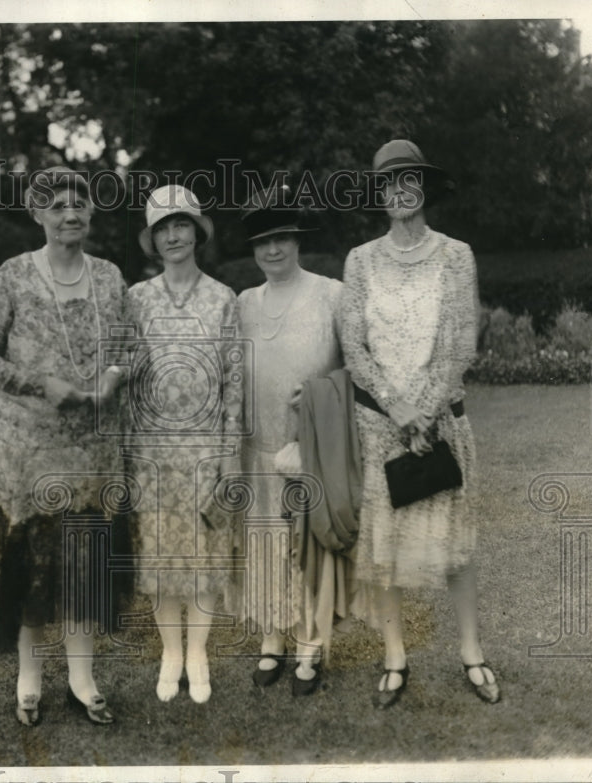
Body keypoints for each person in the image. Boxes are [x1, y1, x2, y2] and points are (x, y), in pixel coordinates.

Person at [0, 166, 131, 727]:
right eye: (57, 205)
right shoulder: (12, 276)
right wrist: (43, 385)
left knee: (84, 565)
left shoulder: (109, 276)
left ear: (91, 212)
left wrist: (111, 376)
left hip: (93, 450)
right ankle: (29, 678)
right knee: (32, 565)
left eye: (79, 203)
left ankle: (83, 680)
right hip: (28, 449)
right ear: (37, 215)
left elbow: (129, 348)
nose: (70, 214)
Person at [341, 139, 500, 708]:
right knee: (384, 548)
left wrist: (426, 412)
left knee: (455, 546)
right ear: (377, 193)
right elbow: (354, 347)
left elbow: (461, 343)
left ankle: (472, 652)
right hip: (382, 426)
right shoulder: (360, 260)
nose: (397, 191)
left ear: (424, 187)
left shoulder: (456, 255)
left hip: (440, 424)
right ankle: (394, 656)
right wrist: (395, 407)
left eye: (408, 179)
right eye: (387, 182)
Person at [236, 185, 355, 696]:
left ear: (297, 241)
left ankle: (310, 642)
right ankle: (271, 638)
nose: (273, 250)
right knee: (264, 545)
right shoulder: (243, 302)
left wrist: (320, 394)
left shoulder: (332, 294)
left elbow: (359, 369)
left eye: (281, 238)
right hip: (258, 447)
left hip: (312, 447)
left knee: (309, 544)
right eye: (263, 241)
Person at [127, 185, 241, 704]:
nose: (173, 235)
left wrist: (228, 455)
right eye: (163, 228)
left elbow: (234, 382)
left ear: (197, 231)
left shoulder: (223, 298)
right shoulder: (136, 299)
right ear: (152, 239)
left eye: (181, 225)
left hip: (205, 448)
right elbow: (125, 381)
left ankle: (198, 652)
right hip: (151, 451)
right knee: (160, 557)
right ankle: (170, 651)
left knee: (203, 556)